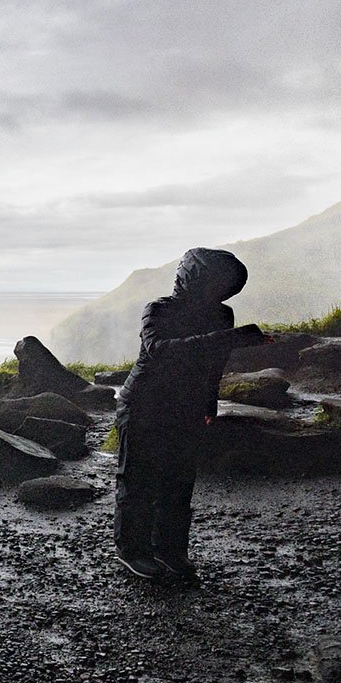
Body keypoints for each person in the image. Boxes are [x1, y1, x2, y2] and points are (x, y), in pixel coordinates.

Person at [114, 248, 268, 585]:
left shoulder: (222, 315)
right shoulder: (157, 310)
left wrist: (208, 404)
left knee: (179, 482)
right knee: (137, 480)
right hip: (143, 405)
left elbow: (214, 364)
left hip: (185, 407)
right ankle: (132, 550)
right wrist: (235, 337)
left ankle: (170, 550)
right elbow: (162, 351)